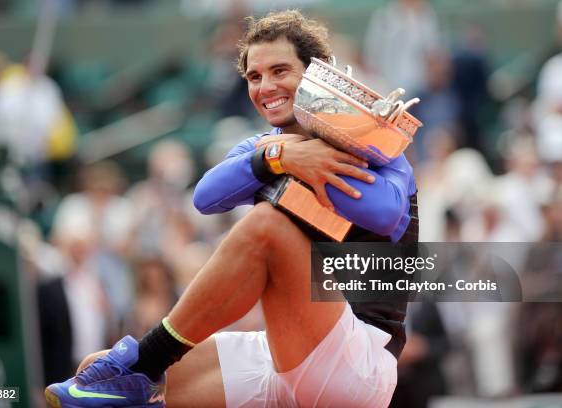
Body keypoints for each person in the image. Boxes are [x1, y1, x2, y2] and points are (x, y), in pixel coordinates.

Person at [45, 9, 419, 408]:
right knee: (93, 375)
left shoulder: (373, 146)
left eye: (279, 71)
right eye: (254, 77)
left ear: (316, 73)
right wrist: (281, 157)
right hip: (280, 355)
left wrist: (316, 156)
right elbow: (205, 197)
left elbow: (385, 213)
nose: (266, 87)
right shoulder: (264, 147)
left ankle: (147, 360)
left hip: (357, 365)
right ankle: (138, 372)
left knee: (267, 226)